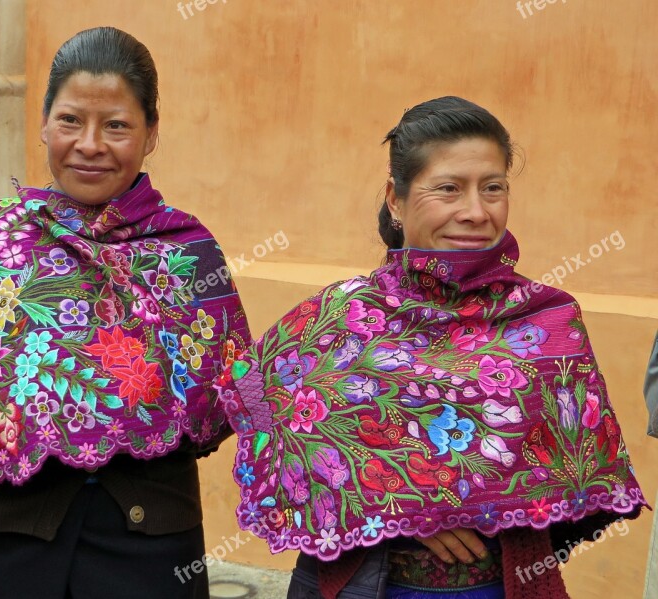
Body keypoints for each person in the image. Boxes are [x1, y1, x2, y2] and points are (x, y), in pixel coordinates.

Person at [216, 96, 646, 599]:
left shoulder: (547, 320)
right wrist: (404, 501)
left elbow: (579, 474)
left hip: (498, 585)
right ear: (396, 201)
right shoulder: (340, 317)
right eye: (448, 188)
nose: (475, 211)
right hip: (368, 584)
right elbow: (258, 401)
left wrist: (485, 505)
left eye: (493, 188)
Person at [0, 27, 250, 599]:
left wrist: (130, 400)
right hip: (3, 535)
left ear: (151, 133)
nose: (90, 143)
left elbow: (222, 393)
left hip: (147, 541)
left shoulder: (184, 251)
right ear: (44, 124)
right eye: (71, 120)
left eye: (118, 125)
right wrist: (1, 388)